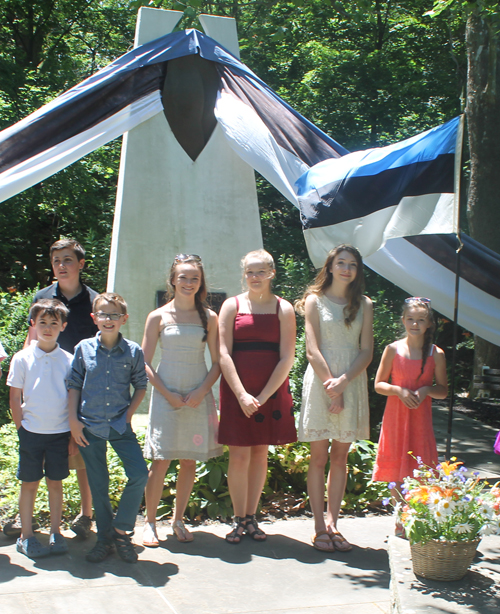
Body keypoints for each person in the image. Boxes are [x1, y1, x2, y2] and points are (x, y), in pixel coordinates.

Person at [5, 239, 98, 541]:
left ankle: (86, 515)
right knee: (33, 461)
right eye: (56, 260)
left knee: (80, 455)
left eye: (68, 260)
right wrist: (22, 367)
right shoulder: (43, 296)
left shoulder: (94, 301)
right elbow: (31, 338)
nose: (62, 265)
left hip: (80, 386)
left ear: (81, 264)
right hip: (44, 383)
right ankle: (25, 517)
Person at [297, 245, 373, 553]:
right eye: (340, 263)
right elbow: (312, 349)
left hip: (351, 382)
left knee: (340, 457)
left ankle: (334, 524)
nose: (346, 269)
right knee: (318, 458)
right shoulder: (314, 301)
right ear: (329, 267)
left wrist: (343, 383)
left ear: (357, 270)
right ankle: (318, 527)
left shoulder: (364, 304)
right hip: (320, 383)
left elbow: (366, 350)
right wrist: (332, 385)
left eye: (352, 264)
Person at [141, 254, 222, 546]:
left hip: (197, 396)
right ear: (173, 279)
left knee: (189, 461)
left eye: (194, 278)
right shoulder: (158, 316)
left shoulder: (209, 317)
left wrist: (201, 392)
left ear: (201, 283)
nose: (188, 283)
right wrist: (168, 395)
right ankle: (149, 523)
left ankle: (178, 520)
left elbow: (217, 362)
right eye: (183, 277)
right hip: (166, 396)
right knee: (160, 461)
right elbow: (145, 363)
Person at [218, 249, 297, 544]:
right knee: (238, 455)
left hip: (270, 391)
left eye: (260, 271)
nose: (254, 277)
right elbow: (223, 353)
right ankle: (238, 519)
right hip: (237, 389)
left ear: (271, 273)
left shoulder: (284, 309)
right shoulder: (231, 305)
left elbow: (287, 357)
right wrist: (241, 394)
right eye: (250, 272)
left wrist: (262, 396)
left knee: (260, 452)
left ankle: (252, 518)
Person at [68, 292, 149, 564]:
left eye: (115, 315)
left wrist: (128, 415)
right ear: (94, 318)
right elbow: (73, 385)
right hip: (89, 426)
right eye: (103, 314)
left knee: (139, 473)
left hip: (118, 425)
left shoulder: (133, 351)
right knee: (98, 485)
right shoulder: (83, 349)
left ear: (124, 319)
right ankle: (105, 539)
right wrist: (73, 421)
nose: (109, 319)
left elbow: (140, 385)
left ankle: (121, 530)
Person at [372, 297, 448, 534]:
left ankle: (420, 515)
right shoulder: (393, 349)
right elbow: (378, 385)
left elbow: (443, 391)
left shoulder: (437, 354)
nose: (415, 324)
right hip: (396, 417)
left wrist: (426, 390)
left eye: (421, 320)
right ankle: (400, 518)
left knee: (420, 464)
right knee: (397, 466)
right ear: (403, 320)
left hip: (420, 420)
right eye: (411, 319)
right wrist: (398, 390)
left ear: (429, 324)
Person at [7, 299, 73, 558]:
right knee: (29, 484)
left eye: (54, 323)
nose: (47, 328)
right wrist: (21, 428)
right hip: (31, 434)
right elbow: (15, 397)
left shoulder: (69, 360)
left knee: (55, 484)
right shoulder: (22, 358)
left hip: (59, 434)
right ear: (33, 324)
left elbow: (72, 399)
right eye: (42, 322)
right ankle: (26, 536)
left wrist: (70, 434)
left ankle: (56, 532)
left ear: (63, 326)